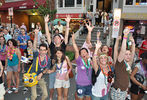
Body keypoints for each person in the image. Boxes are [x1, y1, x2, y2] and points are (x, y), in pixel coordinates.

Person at [44, 14, 70, 100]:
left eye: (58, 38)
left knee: (62, 86)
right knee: (51, 85)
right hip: (53, 68)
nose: (56, 39)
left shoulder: (63, 46)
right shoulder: (51, 46)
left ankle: (61, 97)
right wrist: (45, 23)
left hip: (63, 70)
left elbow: (66, 35)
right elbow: (47, 35)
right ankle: (51, 97)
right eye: (54, 38)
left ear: (61, 39)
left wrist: (67, 23)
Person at [110, 27, 135, 100]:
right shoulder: (119, 62)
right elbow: (122, 51)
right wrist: (125, 37)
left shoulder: (128, 63)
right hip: (118, 92)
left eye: (129, 54)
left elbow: (133, 53)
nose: (128, 56)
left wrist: (133, 43)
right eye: (126, 54)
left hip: (124, 91)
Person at [30, 29, 51, 100]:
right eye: (41, 50)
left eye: (44, 50)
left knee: (45, 95)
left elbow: (47, 68)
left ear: (46, 51)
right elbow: (34, 44)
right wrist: (36, 35)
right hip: (32, 76)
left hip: (40, 77)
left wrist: (41, 74)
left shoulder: (48, 59)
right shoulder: (36, 55)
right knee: (34, 96)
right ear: (39, 50)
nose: (42, 52)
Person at [72, 32, 92, 100]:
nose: (83, 53)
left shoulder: (90, 61)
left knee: (88, 98)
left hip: (89, 84)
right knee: (80, 98)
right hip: (80, 84)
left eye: (85, 52)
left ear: (87, 53)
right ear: (80, 54)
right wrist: (73, 40)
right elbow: (76, 50)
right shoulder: (79, 61)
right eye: (82, 52)